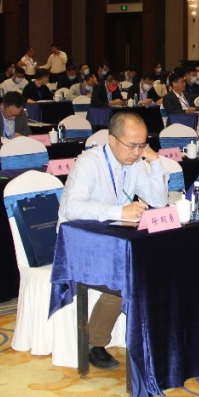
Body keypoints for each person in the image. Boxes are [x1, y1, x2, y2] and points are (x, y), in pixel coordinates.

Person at [57, 111, 166, 369]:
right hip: (77, 242)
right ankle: (94, 341)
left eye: (142, 145)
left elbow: (159, 200)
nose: (137, 152)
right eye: (132, 145)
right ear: (112, 140)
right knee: (127, 274)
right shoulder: (89, 163)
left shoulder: (134, 162)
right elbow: (72, 208)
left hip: (113, 238)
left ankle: (153, 335)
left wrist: (155, 161)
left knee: (157, 261)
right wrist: (119, 212)